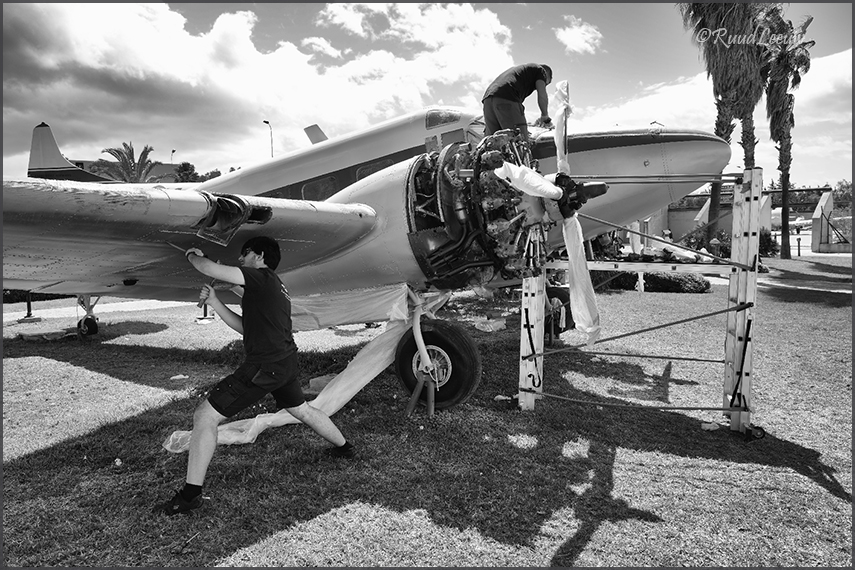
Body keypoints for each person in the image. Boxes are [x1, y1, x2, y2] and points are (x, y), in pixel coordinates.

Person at [154, 236, 354, 516]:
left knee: (205, 416)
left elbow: (208, 268)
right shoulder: (271, 287)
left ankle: (190, 496)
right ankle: (345, 448)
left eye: (245, 253)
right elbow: (245, 328)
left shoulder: (261, 277)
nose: (240, 258)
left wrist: (192, 255)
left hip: (265, 366)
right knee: (302, 410)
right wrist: (215, 301)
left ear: (259, 256)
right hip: (283, 363)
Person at [481, 63, 553, 138]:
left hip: (488, 100)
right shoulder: (540, 70)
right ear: (546, 75)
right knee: (520, 140)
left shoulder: (520, 72)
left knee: (493, 140)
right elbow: (542, 94)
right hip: (507, 97)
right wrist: (544, 116)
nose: (545, 85)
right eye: (546, 83)